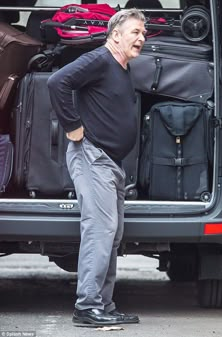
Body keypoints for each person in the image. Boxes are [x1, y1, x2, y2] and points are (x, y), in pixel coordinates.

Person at [47, 8, 146, 327]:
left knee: (112, 234)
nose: (141, 38)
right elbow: (57, 81)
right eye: (135, 32)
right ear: (115, 34)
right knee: (100, 230)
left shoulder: (121, 67)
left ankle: (103, 303)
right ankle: (87, 306)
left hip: (110, 162)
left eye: (143, 34)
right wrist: (72, 125)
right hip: (92, 157)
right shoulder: (99, 59)